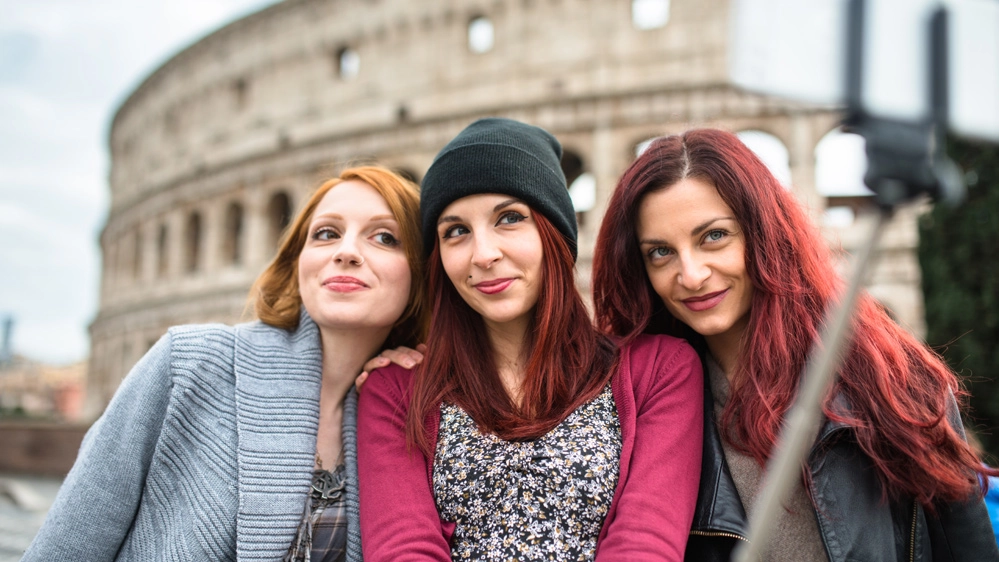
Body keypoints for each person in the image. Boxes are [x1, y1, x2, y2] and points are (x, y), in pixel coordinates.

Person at [591, 128, 999, 561]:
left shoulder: (891, 378)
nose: (691, 275)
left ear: (763, 233)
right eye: (660, 252)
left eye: (713, 236)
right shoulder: (643, 404)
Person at [22, 166, 428, 562]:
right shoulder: (189, 363)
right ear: (297, 261)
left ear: (422, 275)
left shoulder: (399, 413)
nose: (346, 252)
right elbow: (68, 543)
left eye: (384, 237)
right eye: (326, 234)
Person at [357, 118, 704, 561]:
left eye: (509, 219)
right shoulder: (395, 390)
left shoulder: (661, 370)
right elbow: (403, 549)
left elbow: (645, 544)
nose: (483, 254)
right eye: (456, 231)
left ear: (555, 233)